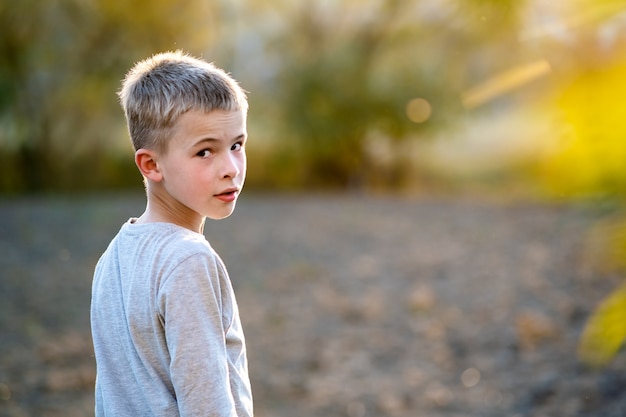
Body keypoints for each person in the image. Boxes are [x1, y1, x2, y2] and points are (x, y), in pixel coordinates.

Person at [90, 50, 253, 417]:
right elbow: (207, 407)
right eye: (204, 152)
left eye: (236, 145)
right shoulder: (189, 260)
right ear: (151, 164)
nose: (230, 168)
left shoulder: (113, 256)